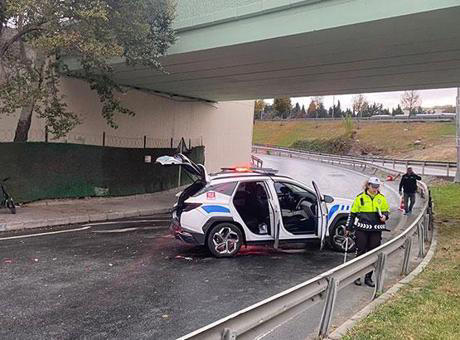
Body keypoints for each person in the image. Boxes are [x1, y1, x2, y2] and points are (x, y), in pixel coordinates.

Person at [346, 177, 390, 287]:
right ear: (368, 186)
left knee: (373, 253)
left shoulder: (381, 198)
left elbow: (386, 212)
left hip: (375, 230)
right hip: (362, 229)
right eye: (373, 186)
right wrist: (348, 228)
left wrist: (385, 216)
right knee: (360, 252)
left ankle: (368, 277)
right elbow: (352, 214)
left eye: (377, 187)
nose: (375, 189)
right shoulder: (360, 198)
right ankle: (356, 276)